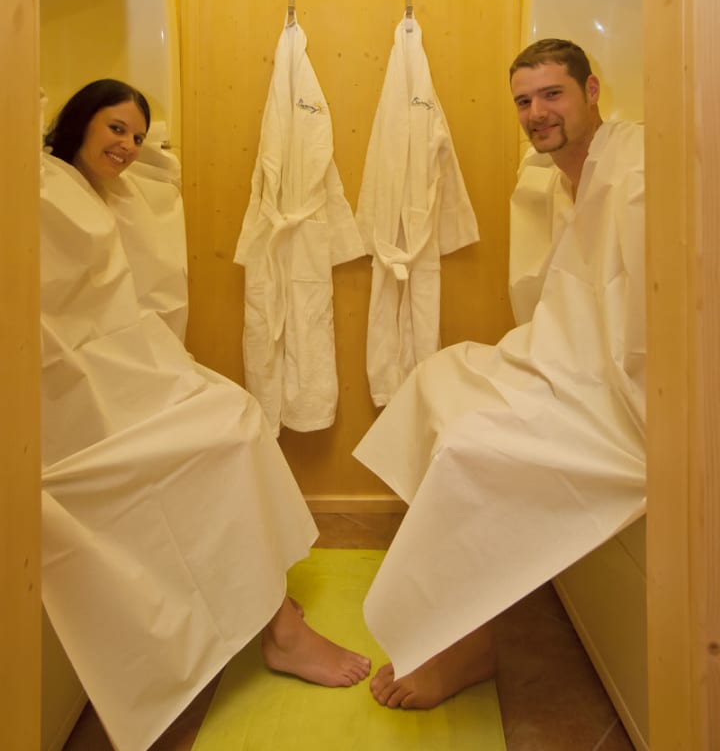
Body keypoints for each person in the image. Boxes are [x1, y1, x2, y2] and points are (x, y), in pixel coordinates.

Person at [41, 80, 369, 751]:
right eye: (115, 128)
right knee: (224, 437)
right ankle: (281, 630)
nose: (128, 145)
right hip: (61, 396)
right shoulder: (47, 191)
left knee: (238, 414)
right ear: (78, 120)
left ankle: (265, 600)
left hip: (108, 374)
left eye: (137, 135)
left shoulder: (99, 194)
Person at [354, 39, 646, 709]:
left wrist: (603, 379)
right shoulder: (563, 178)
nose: (537, 112)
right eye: (524, 101)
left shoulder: (630, 170)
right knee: (439, 375)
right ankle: (460, 619)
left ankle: (467, 644)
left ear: (592, 90)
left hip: (612, 389)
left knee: (466, 446)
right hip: (564, 360)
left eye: (553, 94)